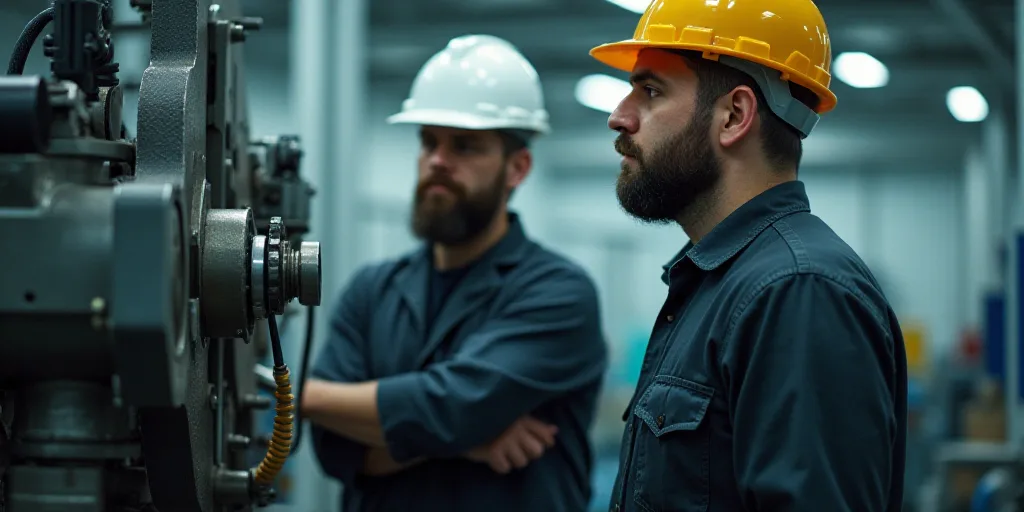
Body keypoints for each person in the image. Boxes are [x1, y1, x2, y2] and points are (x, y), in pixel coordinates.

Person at [588, 1, 908, 511]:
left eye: (650, 91)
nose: (619, 116)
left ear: (734, 115)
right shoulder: (720, 283)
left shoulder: (798, 290)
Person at [301, 34, 609, 512]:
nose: (438, 162)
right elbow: (335, 449)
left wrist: (306, 396)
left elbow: (455, 406)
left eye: (464, 146)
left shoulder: (559, 292)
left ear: (517, 168)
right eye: (428, 142)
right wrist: (466, 439)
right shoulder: (372, 290)